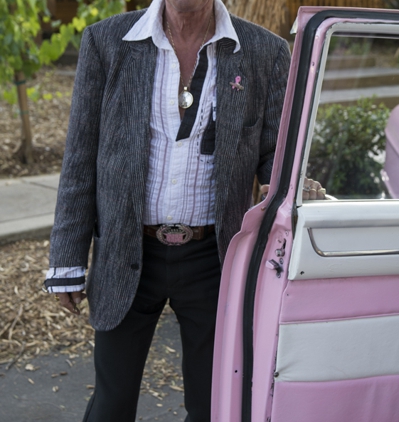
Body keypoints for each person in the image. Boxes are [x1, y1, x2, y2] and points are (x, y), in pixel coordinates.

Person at [43, 0, 323, 420]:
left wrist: (289, 185)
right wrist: (66, 259)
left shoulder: (264, 51)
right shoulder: (107, 42)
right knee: (111, 405)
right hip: (127, 250)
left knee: (212, 406)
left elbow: (274, 154)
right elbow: (80, 157)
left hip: (216, 259)